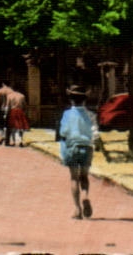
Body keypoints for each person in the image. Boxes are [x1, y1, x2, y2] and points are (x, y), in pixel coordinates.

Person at [56, 85, 96, 219]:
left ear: (71, 100)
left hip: (72, 147)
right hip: (87, 147)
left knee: (74, 178)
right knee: (84, 176)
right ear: (85, 100)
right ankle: (85, 196)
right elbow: (95, 133)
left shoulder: (67, 114)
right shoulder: (91, 114)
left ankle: (77, 209)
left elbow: (63, 132)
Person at [0, 80, 16, 145]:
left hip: (2, 110)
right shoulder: (12, 91)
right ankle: (7, 141)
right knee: (9, 125)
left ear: (3, 84)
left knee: (0, 125)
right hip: (10, 110)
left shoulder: (0, 91)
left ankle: (2, 136)